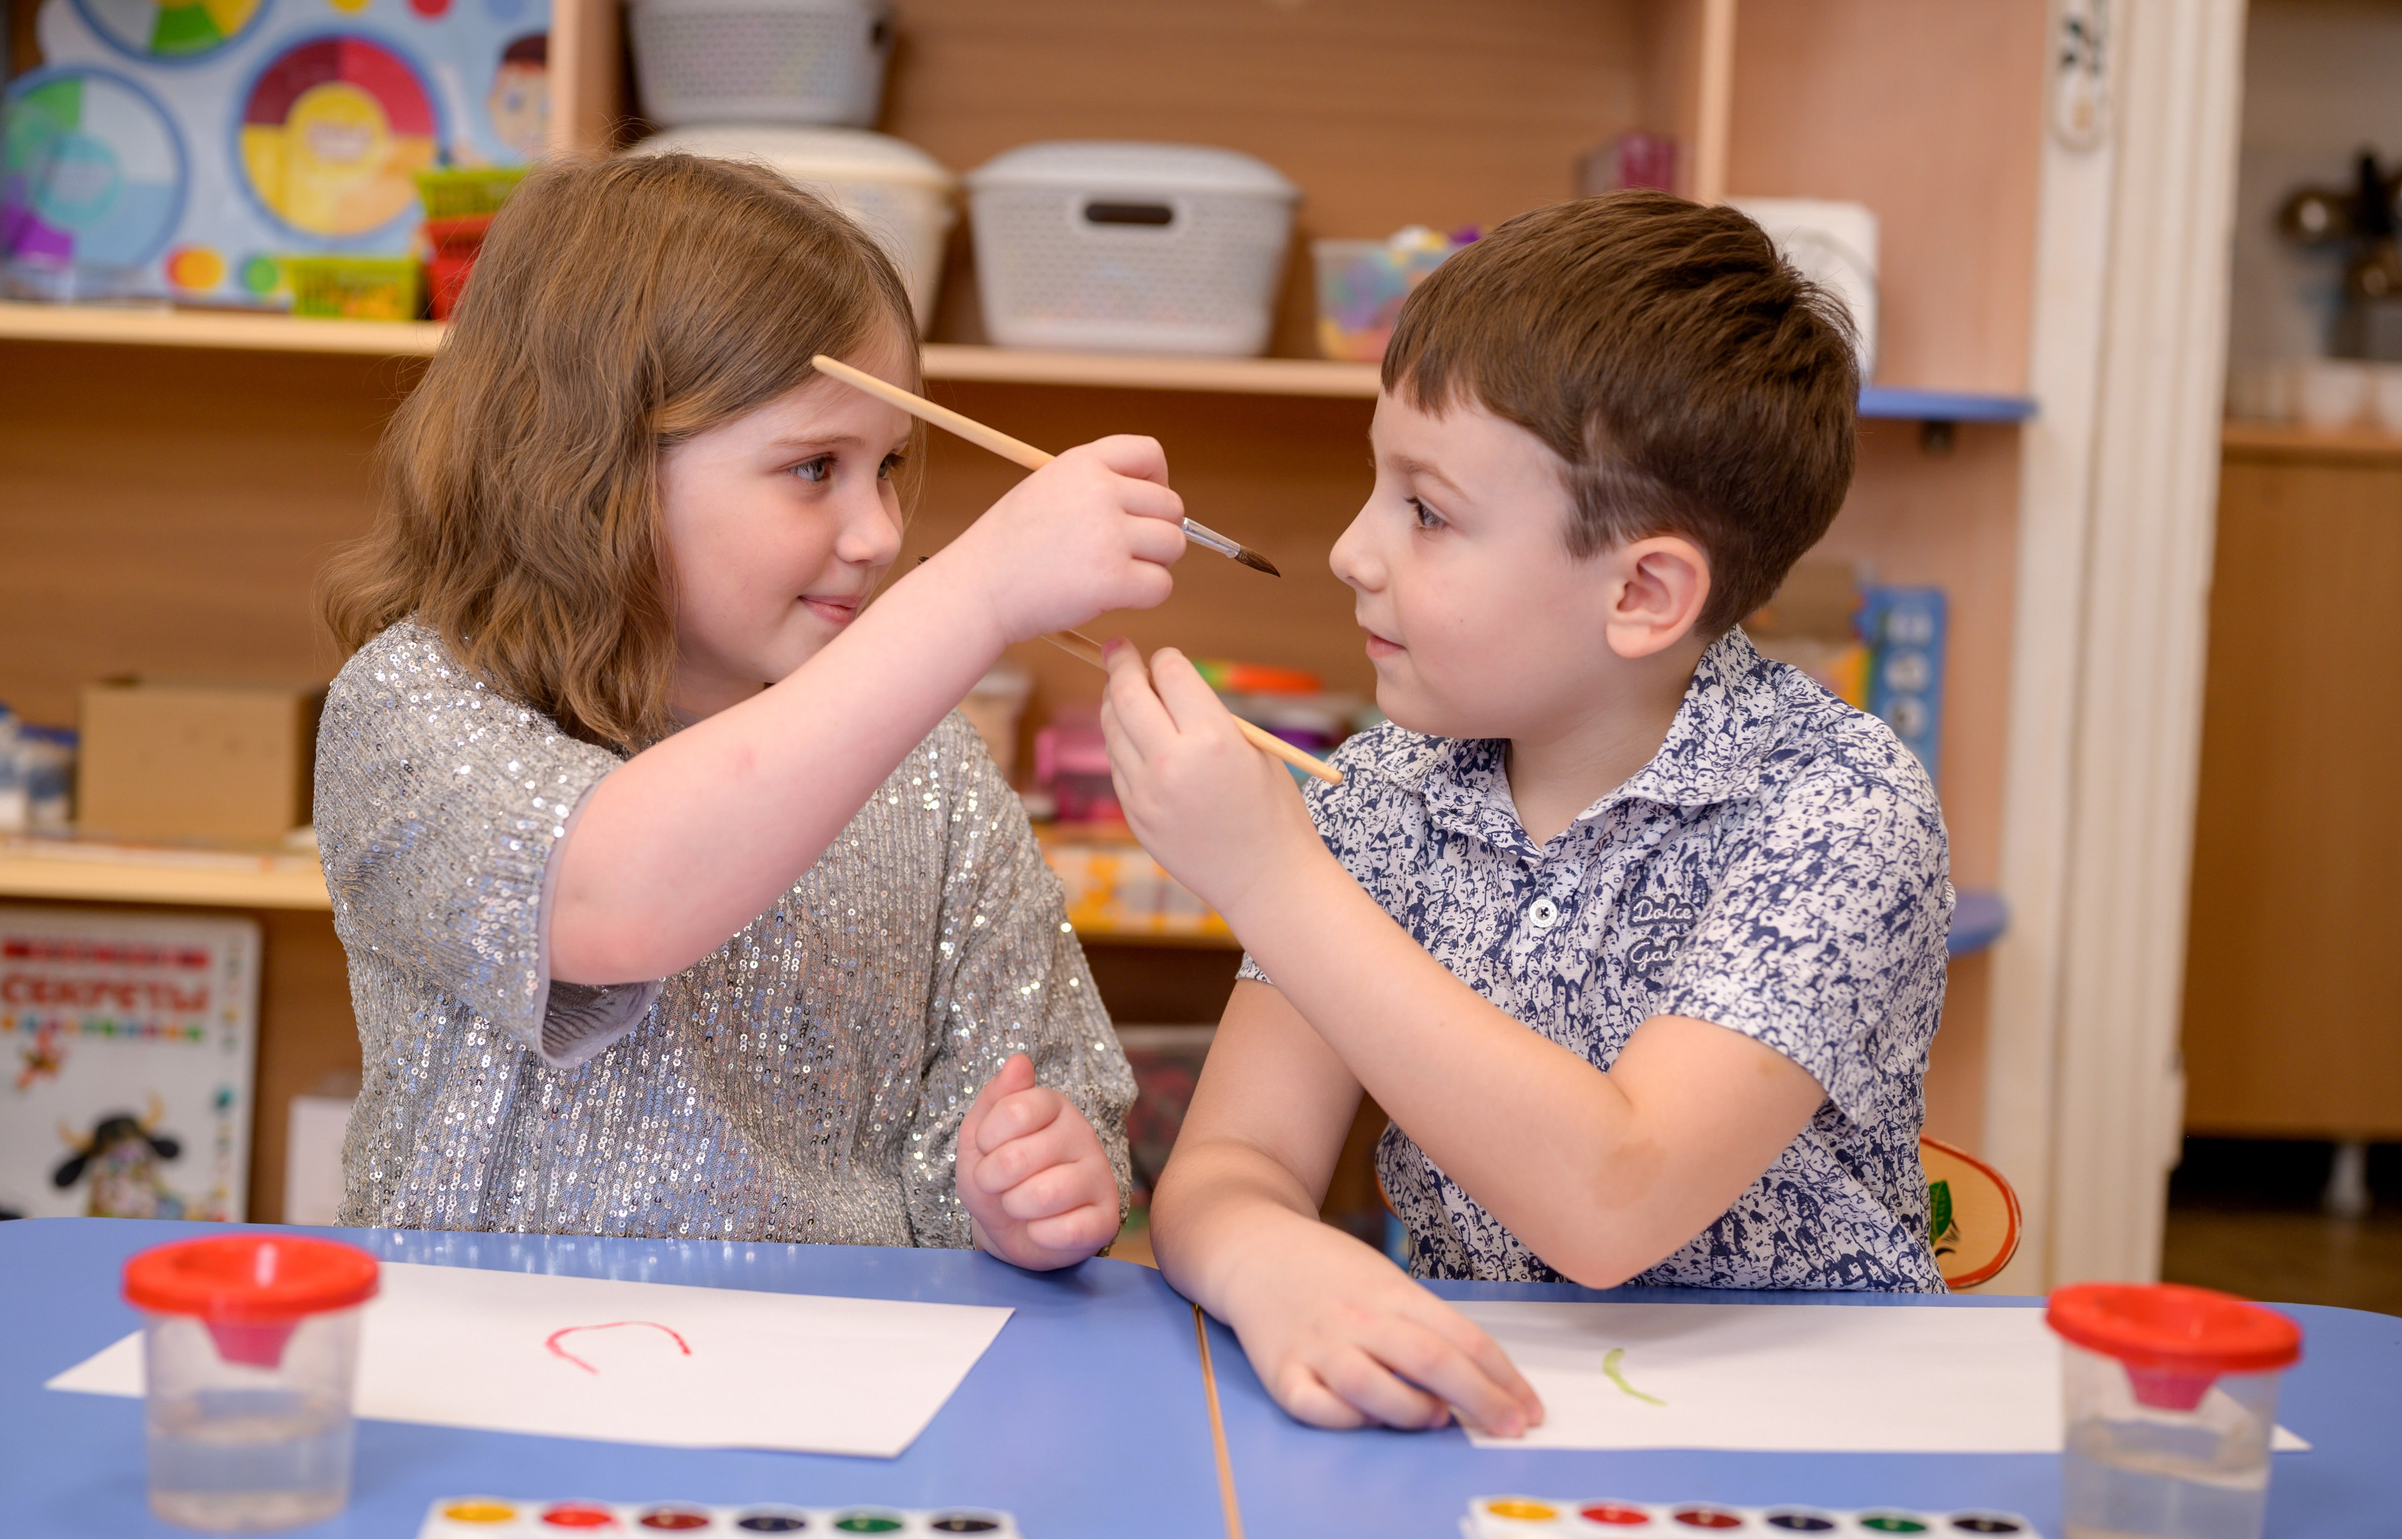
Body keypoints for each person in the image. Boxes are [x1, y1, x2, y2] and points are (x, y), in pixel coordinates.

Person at [1102, 192, 1952, 1433]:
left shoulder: (1836, 808)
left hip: (1802, 1434)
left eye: (1427, 510)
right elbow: (1236, 1163)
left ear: (1644, 593)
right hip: (1480, 1415)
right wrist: (1270, 1260)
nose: (1351, 548)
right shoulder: (1391, 779)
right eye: (1375, 483)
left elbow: (1617, 1195)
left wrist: (1271, 876)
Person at [315, 151, 1186, 1267]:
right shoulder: (412, 706)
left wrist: (1031, 1179)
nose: (876, 531)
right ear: (597, 466)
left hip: (840, 1376)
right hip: (501, 1375)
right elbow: (614, 900)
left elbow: (1040, 1092)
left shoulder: (930, 765)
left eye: (888, 467)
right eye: (816, 466)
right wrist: (974, 591)